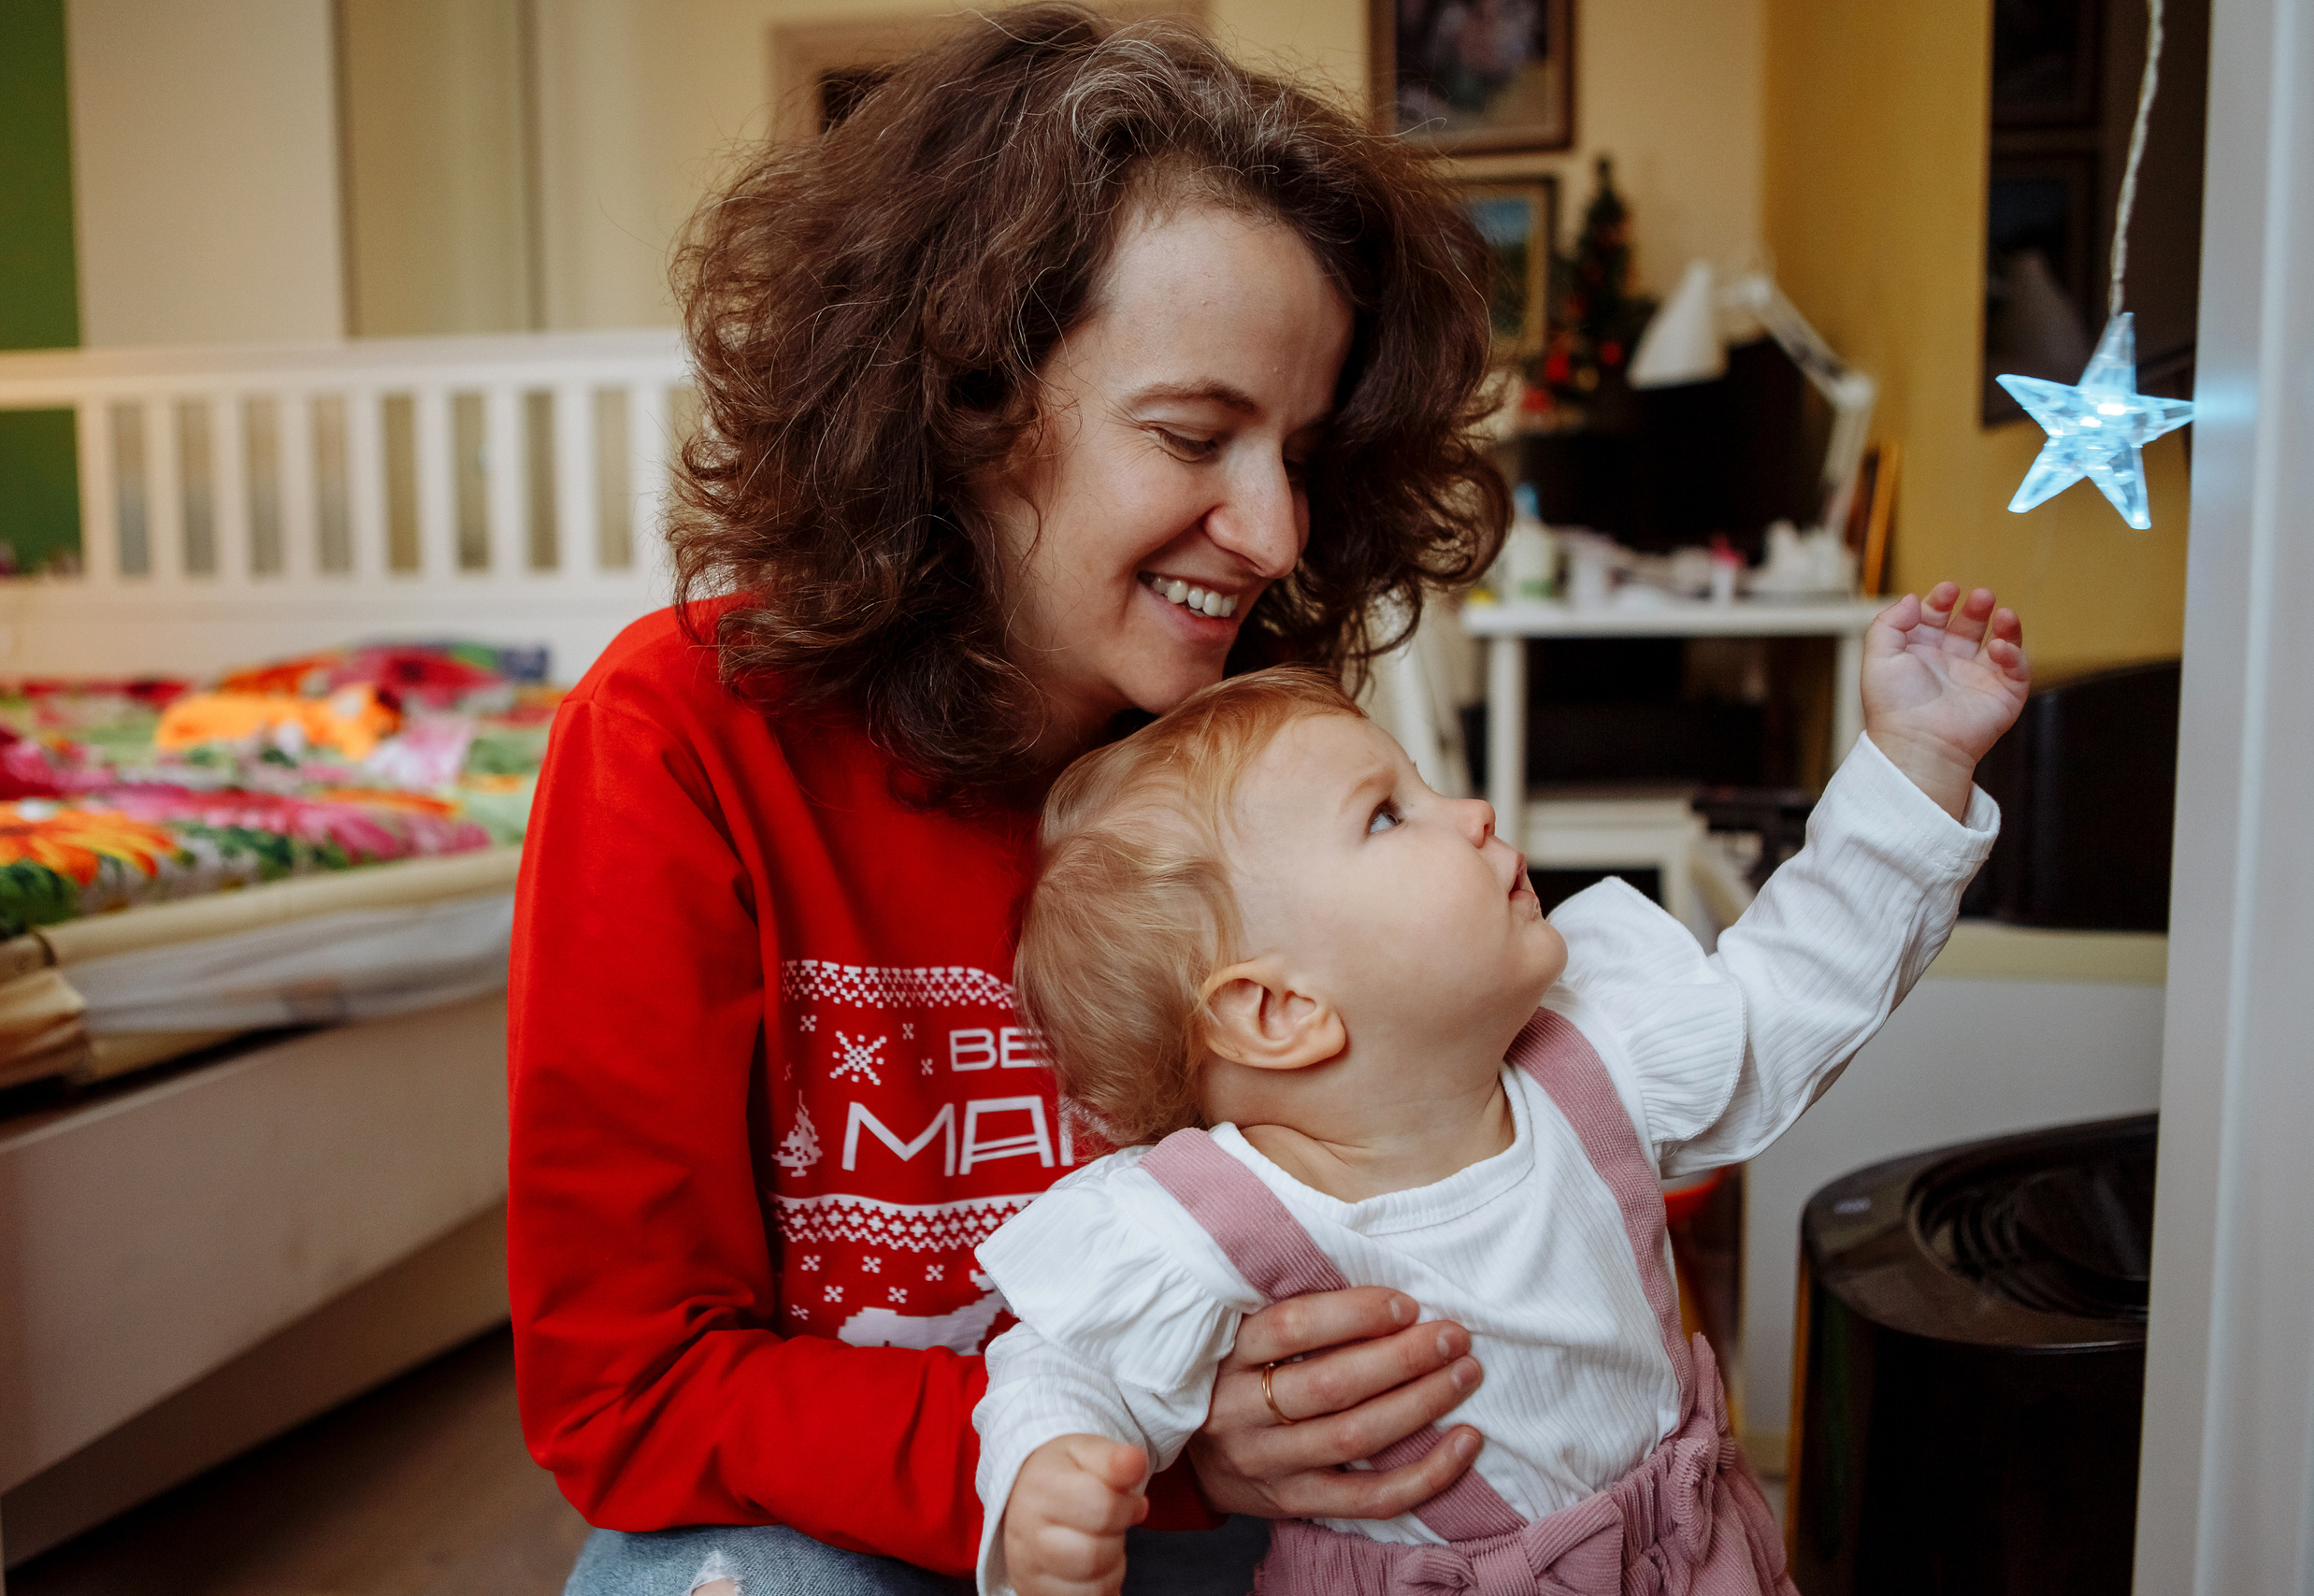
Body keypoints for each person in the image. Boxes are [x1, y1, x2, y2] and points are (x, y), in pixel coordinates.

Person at [506, 7, 1519, 1593]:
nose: (1268, 528)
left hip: (1230, 1502)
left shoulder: (1245, 756)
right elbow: (624, 1390)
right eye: (1195, 434)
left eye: (1303, 454)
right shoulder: (676, 736)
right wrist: (1146, 1454)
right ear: (964, 403)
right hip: (860, 1512)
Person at [976, 584, 2029, 1595]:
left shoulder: (1597, 1058)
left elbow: (1800, 978)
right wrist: (1046, 1474)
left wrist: (1915, 761)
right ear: (1277, 1011)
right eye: (1389, 817)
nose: (1473, 812)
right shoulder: (1201, 1219)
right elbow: (1063, 1361)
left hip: (1691, 1561)